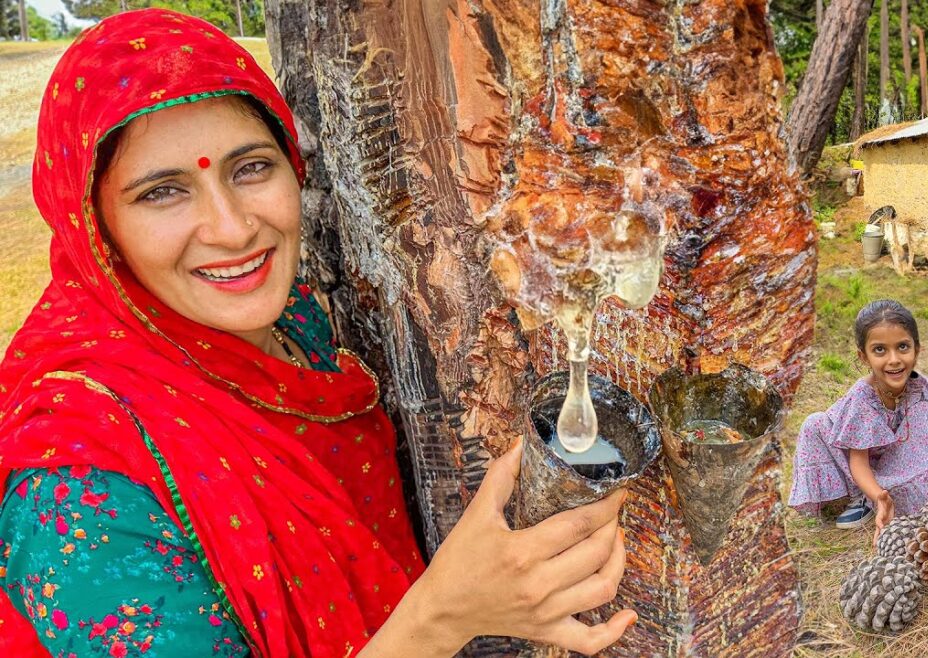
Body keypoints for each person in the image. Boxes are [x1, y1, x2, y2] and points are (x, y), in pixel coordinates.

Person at [0, 9, 635, 658]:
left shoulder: (291, 323)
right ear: (94, 228)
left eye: (250, 168)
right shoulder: (75, 488)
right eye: (163, 192)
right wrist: (443, 617)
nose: (233, 228)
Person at [786, 299, 928, 543]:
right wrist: (879, 496)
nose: (894, 360)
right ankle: (866, 497)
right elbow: (858, 461)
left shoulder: (921, 386)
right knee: (814, 423)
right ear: (864, 357)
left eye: (902, 347)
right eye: (880, 350)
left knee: (924, 407)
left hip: (904, 456)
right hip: (865, 465)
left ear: (916, 349)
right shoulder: (862, 398)